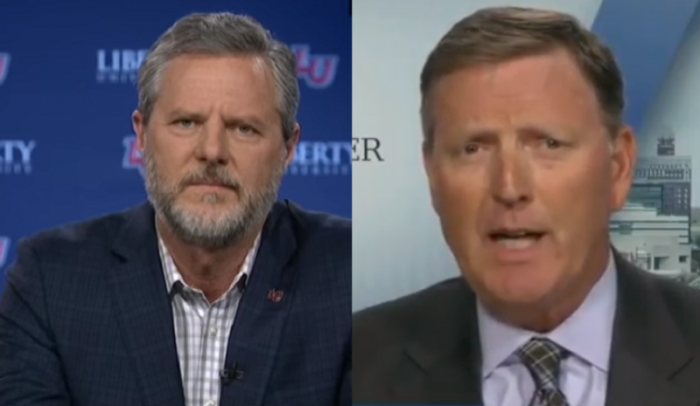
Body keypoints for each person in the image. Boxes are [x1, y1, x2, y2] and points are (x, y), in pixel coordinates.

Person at [352, 6, 700, 406]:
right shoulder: (354, 363)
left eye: (548, 144)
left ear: (618, 168)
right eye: (473, 149)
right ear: (433, 176)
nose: (509, 186)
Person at [0, 12, 350, 406]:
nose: (212, 151)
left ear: (288, 148)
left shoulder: (349, 275)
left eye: (243, 128)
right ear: (141, 135)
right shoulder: (50, 279)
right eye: (186, 122)